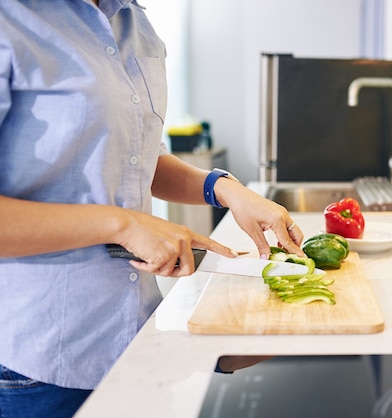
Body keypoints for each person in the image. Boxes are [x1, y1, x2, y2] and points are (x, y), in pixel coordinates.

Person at [0, 1, 305, 417]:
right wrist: (124, 224)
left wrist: (225, 189)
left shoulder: (134, 22)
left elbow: (134, 156)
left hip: (135, 336)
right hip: (41, 362)